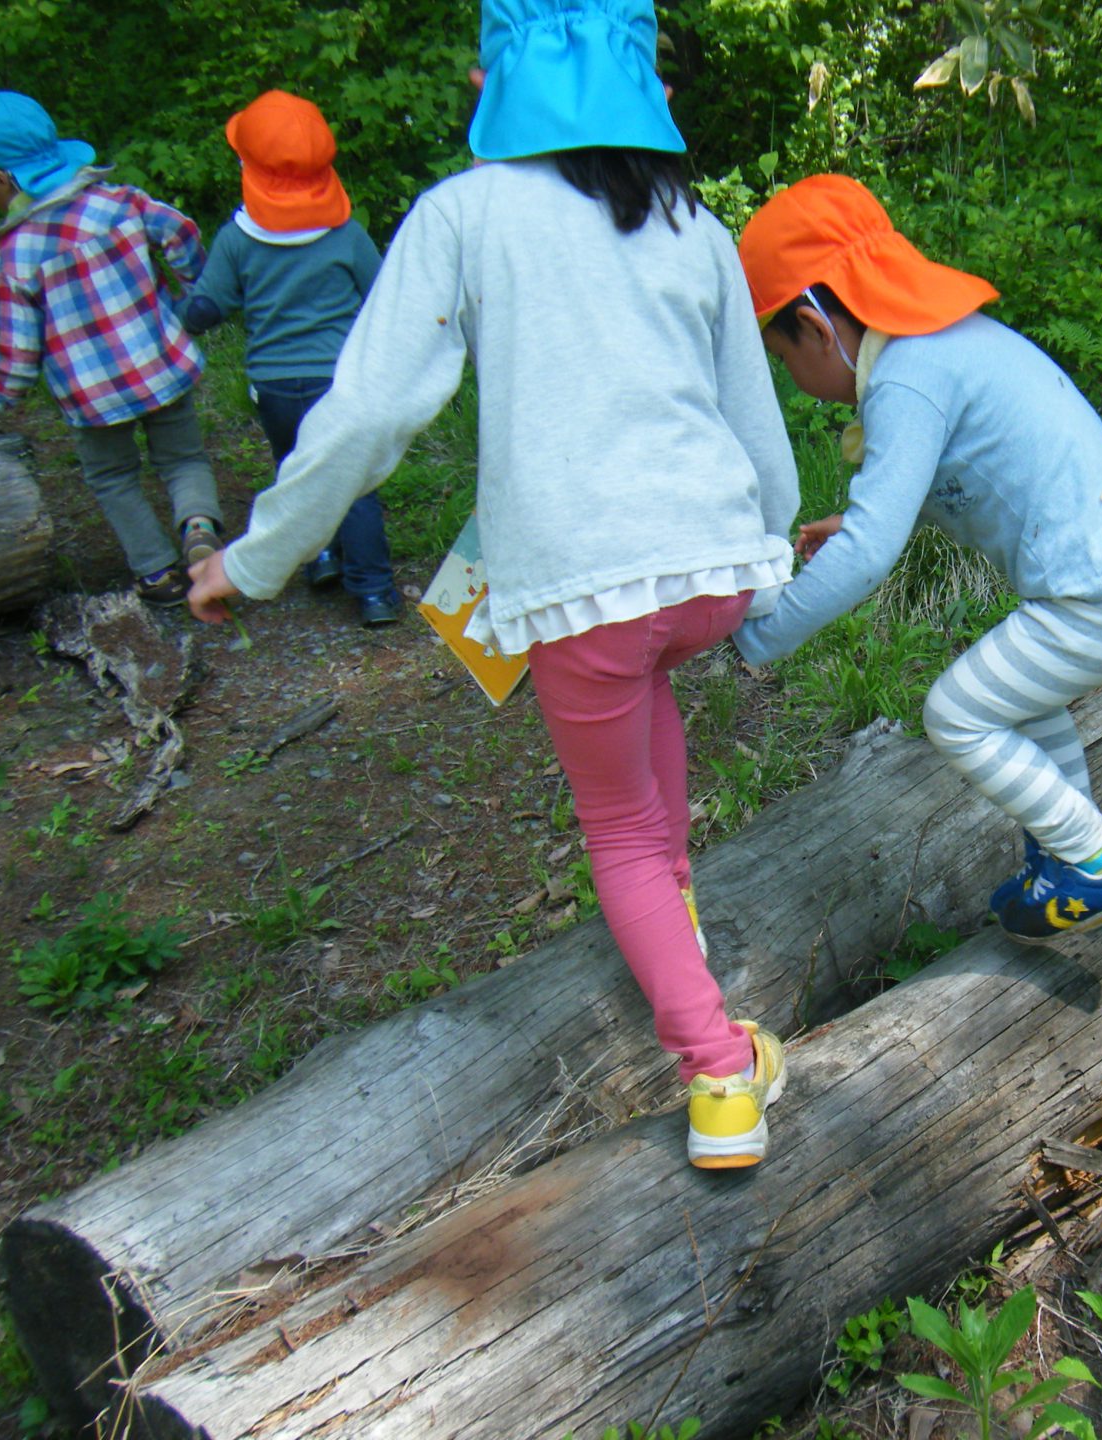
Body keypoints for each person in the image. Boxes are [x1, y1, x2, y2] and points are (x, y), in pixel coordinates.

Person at [186, 0, 800, 1169]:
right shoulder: (690, 221)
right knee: (651, 718)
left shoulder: (464, 214)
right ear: (641, 88)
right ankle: (677, 935)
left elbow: (367, 413)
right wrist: (766, 551)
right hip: (707, 570)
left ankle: (719, 1075)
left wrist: (255, 558)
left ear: (498, 83)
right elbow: (755, 419)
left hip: (585, 584)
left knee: (616, 826)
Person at [733, 175, 1102, 944]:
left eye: (783, 357)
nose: (794, 379)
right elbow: (947, 471)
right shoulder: (938, 344)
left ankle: (1096, 863)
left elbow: (871, 556)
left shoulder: (907, 377)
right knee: (1019, 698)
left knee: (956, 713)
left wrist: (758, 635)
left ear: (815, 327)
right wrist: (857, 519)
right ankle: (1065, 857)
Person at [0, 91, 220, 605]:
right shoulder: (121, 203)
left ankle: (157, 572)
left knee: (113, 477)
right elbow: (180, 231)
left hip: (91, 397)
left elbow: (18, 358)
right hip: (161, 365)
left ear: (0, 179)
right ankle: (198, 527)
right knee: (183, 459)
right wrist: (192, 297)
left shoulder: (13, 256)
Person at [179, 90, 402, 627]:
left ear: (249, 169)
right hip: (341, 382)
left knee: (297, 472)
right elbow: (384, 294)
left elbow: (207, 307)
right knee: (353, 482)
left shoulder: (237, 238)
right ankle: (374, 592)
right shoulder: (346, 234)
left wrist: (172, 312)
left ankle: (320, 556)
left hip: (275, 386)